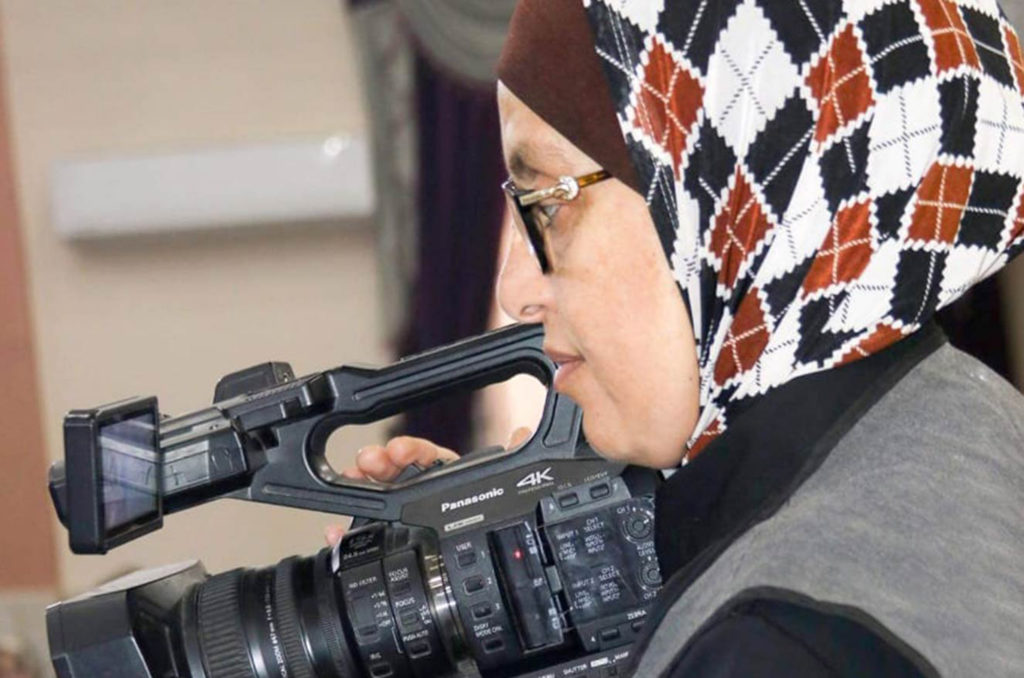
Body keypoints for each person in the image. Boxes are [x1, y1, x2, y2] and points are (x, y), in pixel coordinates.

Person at [332, 0, 1024, 675]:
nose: (515, 287)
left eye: (546, 203)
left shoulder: (774, 643)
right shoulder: (964, 418)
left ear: (732, 194)